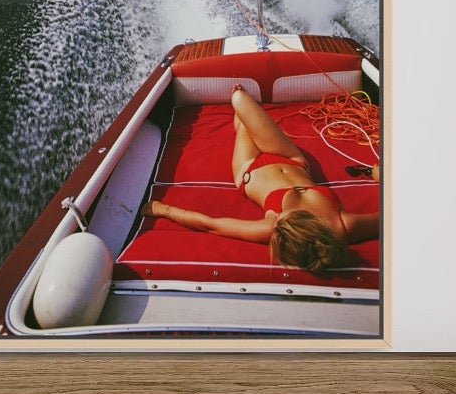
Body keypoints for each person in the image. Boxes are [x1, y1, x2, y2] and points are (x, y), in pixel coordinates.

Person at [147, 85, 378, 277]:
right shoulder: (343, 225)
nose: (277, 218)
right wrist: (380, 178)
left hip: (250, 167)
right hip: (292, 159)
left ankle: (241, 116)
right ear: (306, 225)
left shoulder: (271, 228)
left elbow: (211, 224)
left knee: (240, 107)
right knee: (240, 98)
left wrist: (162, 209)